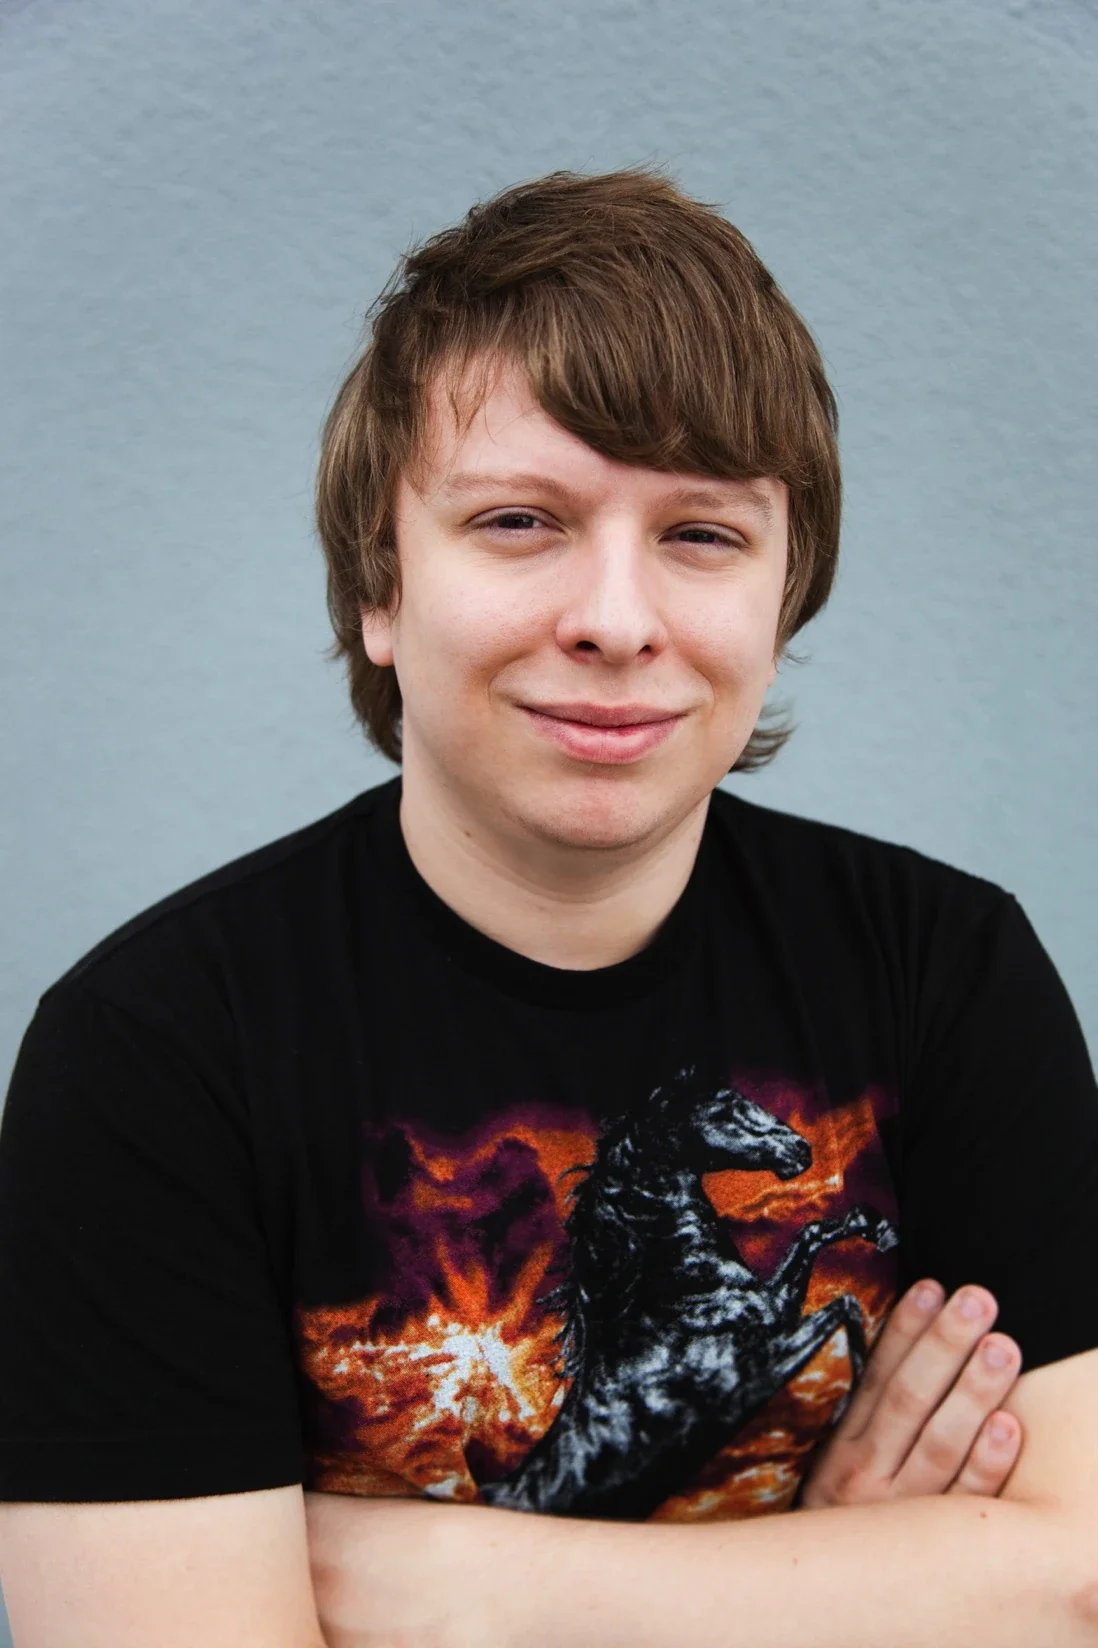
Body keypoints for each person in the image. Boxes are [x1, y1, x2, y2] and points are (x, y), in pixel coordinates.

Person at [1, 167, 1096, 1648]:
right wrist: (856, 1584)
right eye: (520, 521)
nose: (616, 618)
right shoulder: (152, 1054)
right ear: (381, 591)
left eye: (700, 536)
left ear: (782, 599)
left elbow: (1080, 1582)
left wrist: (431, 1595)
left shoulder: (945, 973)